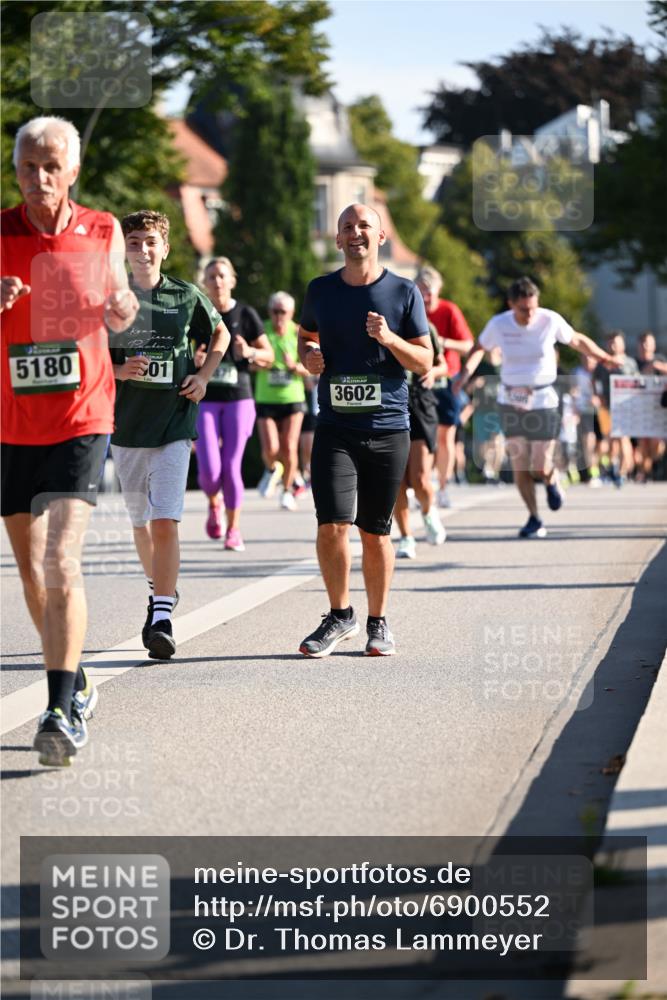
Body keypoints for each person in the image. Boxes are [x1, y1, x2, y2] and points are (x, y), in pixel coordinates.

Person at [1, 116, 139, 766]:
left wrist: (123, 310)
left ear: (73, 171)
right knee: (30, 572)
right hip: (11, 423)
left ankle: (59, 707)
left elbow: (123, 300)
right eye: (28, 166)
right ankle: (75, 675)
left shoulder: (102, 229)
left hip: (84, 415)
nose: (39, 178)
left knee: (60, 559)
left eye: (51, 165)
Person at [297, 203, 433, 657]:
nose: (355, 233)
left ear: (380, 238)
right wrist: (309, 356)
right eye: (347, 227)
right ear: (337, 239)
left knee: (375, 531)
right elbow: (305, 337)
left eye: (364, 226)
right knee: (331, 525)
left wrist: (389, 338)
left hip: (388, 426)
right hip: (335, 425)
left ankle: (378, 621)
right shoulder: (320, 290)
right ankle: (340, 616)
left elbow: (425, 360)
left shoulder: (403, 292)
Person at [109, 211, 229, 659]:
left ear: (166, 248)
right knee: (141, 524)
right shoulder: (111, 298)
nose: (142, 250)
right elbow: (85, 352)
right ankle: (161, 587)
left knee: (165, 520)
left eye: (150, 242)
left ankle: (161, 614)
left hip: (175, 422)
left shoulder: (185, 295)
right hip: (125, 427)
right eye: (135, 242)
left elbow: (221, 333)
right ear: (125, 248)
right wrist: (120, 369)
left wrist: (204, 376)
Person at [454, 276, 620, 539]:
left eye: (533, 307)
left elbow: (576, 340)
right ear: (511, 305)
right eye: (523, 309)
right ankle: (534, 517)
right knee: (520, 464)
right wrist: (464, 375)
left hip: (543, 400)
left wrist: (604, 357)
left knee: (540, 464)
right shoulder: (499, 324)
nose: (530, 314)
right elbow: (478, 348)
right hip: (511, 400)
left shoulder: (549, 320)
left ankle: (551, 480)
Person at [194, 257, 273, 550]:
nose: (216, 281)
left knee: (230, 466)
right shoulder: (197, 313)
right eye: (211, 276)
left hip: (239, 398)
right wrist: (194, 361)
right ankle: (213, 502)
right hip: (205, 399)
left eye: (222, 276)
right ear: (205, 281)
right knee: (210, 472)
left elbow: (269, 356)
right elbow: (182, 353)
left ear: (232, 280)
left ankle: (233, 529)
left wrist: (250, 351)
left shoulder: (246, 313)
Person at [414, 266, 474, 507]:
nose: (426, 298)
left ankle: (444, 487)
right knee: (422, 436)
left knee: (445, 435)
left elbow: (468, 345)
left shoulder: (449, 310)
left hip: (447, 378)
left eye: (429, 292)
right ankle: (423, 484)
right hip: (420, 379)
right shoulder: (413, 310)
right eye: (421, 292)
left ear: (438, 290)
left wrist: (443, 342)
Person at [394, 323, 448, 559]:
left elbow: (443, 365)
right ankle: (406, 537)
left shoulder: (424, 326)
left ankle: (428, 511)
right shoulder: (373, 321)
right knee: (396, 481)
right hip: (388, 405)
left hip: (419, 404)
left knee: (419, 478)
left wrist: (433, 373)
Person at [254, 291, 309, 510]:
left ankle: (287, 491)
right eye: (274, 311)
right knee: (270, 448)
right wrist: (258, 363)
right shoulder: (262, 331)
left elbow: (312, 367)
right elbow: (249, 360)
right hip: (266, 397)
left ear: (291, 313)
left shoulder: (298, 333)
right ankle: (272, 469)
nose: (278, 316)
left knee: (288, 447)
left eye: (282, 312)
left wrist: (294, 366)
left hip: (292, 398)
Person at [593, 331, 639, 487]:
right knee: (611, 439)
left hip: (625, 406)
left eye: (616, 342)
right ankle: (613, 466)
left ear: (623, 344)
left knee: (623, 438)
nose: (613, 345)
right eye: (610, 342)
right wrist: (598, 396)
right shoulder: (602, 363)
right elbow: (595, 382)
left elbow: (638, 382)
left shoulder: (630, 363)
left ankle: (622, 472)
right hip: (607, 407)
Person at [633, 331, 667, 482]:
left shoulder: (660, 359)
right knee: (642, 444)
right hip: (639, 410)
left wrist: (659, 367)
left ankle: (652, 467)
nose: (646, 346)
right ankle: (645, 473)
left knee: (656, 444)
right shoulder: (634, 363)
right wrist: (643, 372)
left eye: (648, 342)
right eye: (643, 343)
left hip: (657, 409)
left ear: (654, 345)